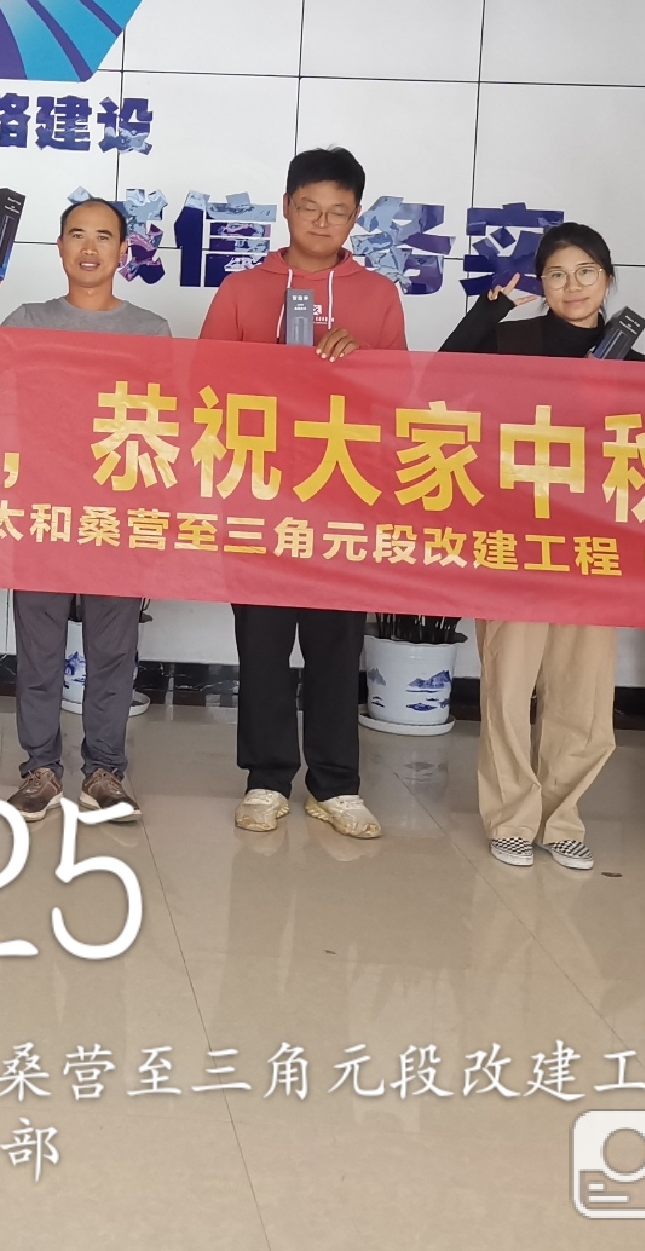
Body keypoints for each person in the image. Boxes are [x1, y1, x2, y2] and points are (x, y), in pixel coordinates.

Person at [201, 146, 404, 840]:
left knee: (336, 646)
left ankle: (336, 785)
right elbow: (205, 387)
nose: (322, 222)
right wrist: (265, 366)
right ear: (286, 206)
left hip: (342, 497)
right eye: (310, 207)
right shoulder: (241, 290)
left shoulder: (378, 296)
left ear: (355, 217)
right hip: (258, 496)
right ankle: (265, 779)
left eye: (338, 212)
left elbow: (398, 401)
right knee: (262, 644)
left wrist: (361, 363)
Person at [439, 222, 639, 871]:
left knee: (583, 691)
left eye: (585, 272)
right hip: (514, 541)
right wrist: (488, 309)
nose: (572, 286)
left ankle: (564, 817)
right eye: (557, 274)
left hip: (593, 551)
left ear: (607, 279)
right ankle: (511, 817)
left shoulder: (634, 365)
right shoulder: (512, 341)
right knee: (507, 686)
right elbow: (438, 378)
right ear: (541, 283)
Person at [0, 198, 169, 821]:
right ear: (58, 247)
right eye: (77, 235)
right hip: (41, 508)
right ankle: (41, 769)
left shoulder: (151, 331)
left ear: (123, 251)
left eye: (103, 236)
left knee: (113, 649)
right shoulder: (29, 320)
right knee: (39, 646)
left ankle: (105, 770)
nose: (89, 248)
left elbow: (169, 422)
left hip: (117, 510)